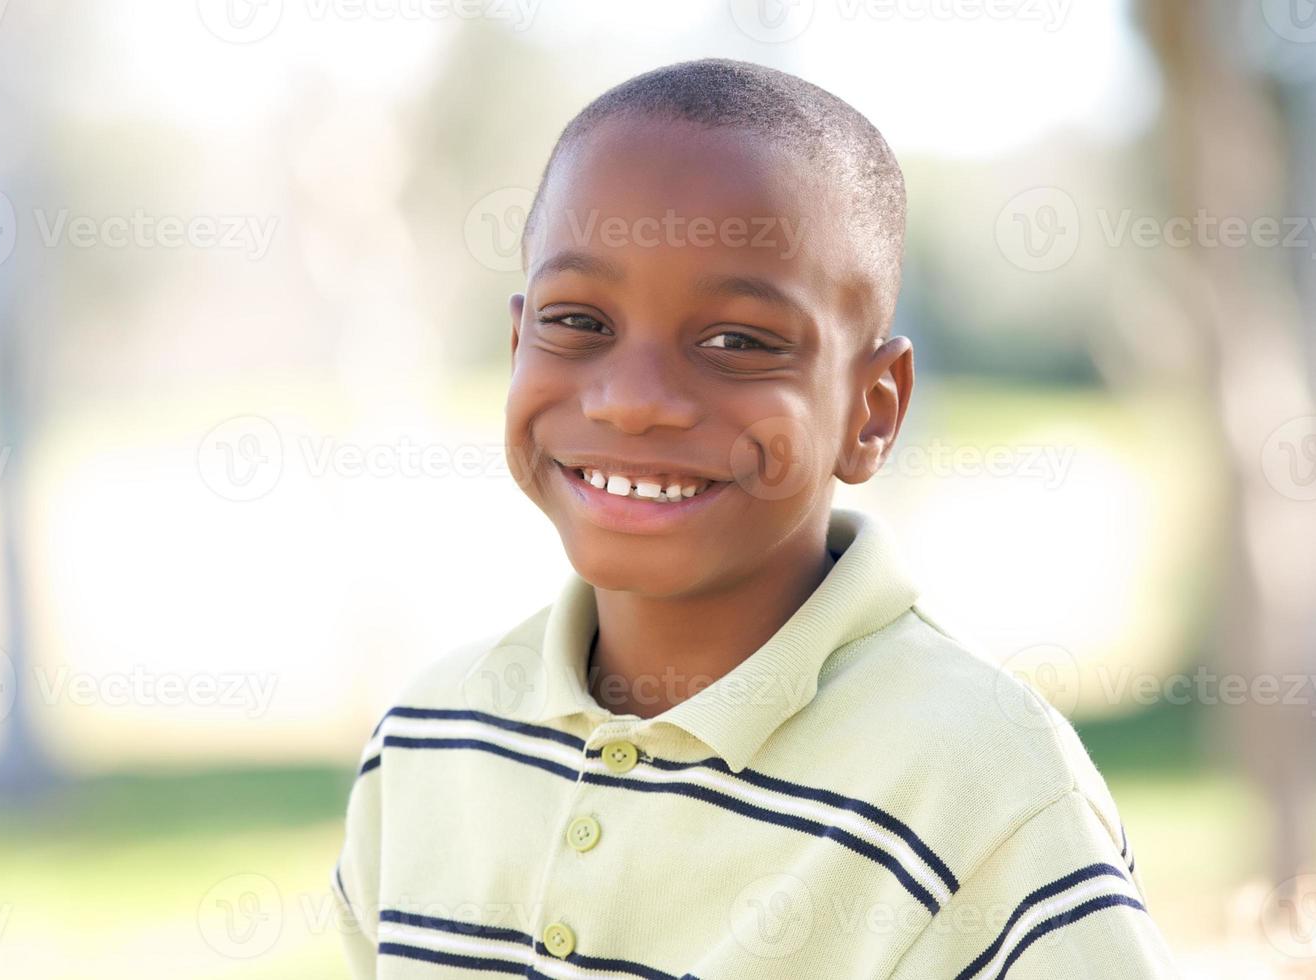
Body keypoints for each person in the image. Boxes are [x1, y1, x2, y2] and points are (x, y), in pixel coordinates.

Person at [331, 57, 1178, 979]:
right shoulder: (428, 740)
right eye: (578, 322)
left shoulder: (982, 785)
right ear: (515, 342)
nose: (632, 402)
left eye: (736, 342)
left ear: (873, 410)